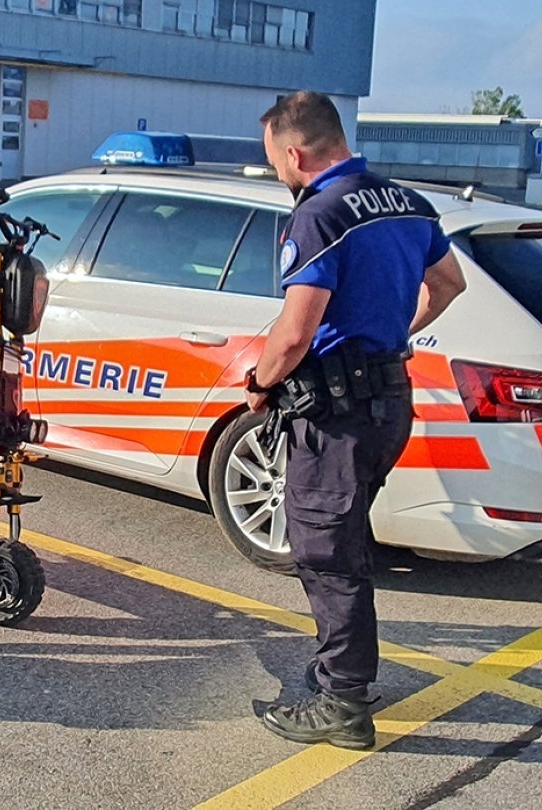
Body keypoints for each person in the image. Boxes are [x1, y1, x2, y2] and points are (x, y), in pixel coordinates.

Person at [245, 92, 466, 748]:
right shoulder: (408, 202)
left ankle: (343, 701)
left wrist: (259, 382)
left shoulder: (319, 215)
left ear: (295, 152)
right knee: (344, 541)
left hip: (338, 416)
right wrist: (396, 330)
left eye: (275, 162)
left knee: (325, 550)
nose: (280, 174)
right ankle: (346, 670)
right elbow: (449, 283)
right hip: (389, 403)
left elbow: (295, 330)